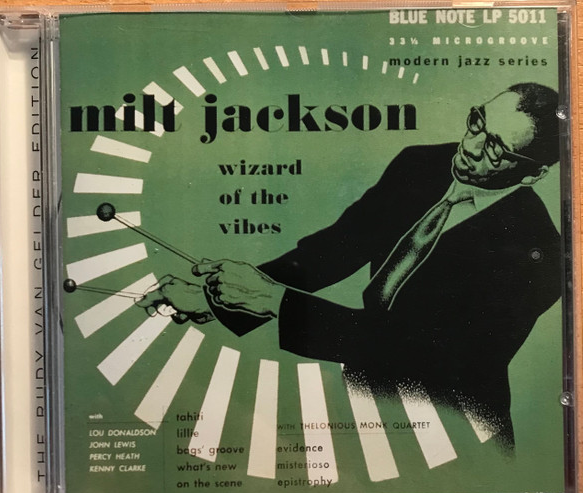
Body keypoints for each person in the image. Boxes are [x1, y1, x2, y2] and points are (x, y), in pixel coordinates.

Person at [138, 83, 561, 448]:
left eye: (495, 149)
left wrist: (272, 299)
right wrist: (218, 296)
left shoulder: (537, 256)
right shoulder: (420, 164)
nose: (470, 146)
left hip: (455, 430)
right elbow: (339, 247)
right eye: (477, 123)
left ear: (532, 175)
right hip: (366, 402)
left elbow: (420, 351)